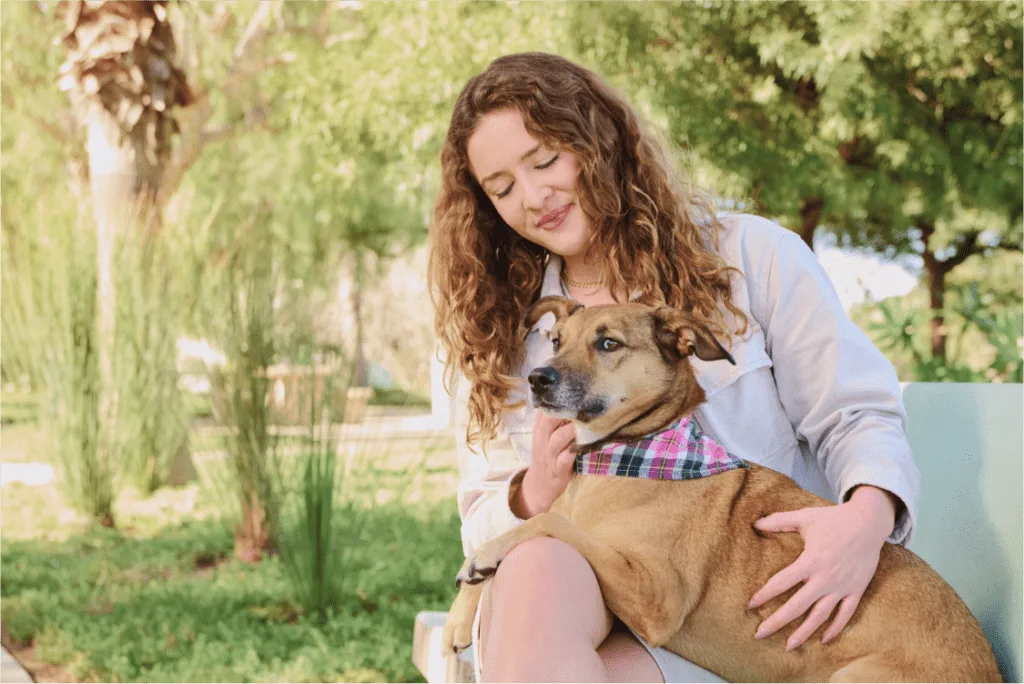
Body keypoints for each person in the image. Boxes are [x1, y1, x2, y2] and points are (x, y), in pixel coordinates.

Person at [427, 52, 920, 684]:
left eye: (546, 160)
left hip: (767, 617)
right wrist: (533, 494)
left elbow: (856, 414)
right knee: (534, 562)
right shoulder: (504, 329)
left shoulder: (751, 257)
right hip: (604, 604)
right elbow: (483, 528)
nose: (533, 196)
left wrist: (864, 521)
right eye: (501, 189)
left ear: (597, 143)